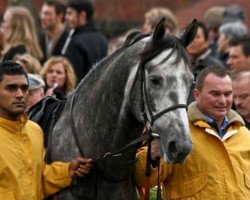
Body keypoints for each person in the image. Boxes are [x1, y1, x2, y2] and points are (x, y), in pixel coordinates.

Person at [134, 65, 250, 199]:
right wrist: (151, 155)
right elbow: (143, 180)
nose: (223, 101)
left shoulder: (244, 135)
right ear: (197, 95)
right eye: (215, 94)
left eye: (228, 94)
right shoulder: (176, 132)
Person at [0, 60, 93, 199]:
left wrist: (68, 170)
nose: (20, 94)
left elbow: (39, 179)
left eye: (24, 88)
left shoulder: (34, 130)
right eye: (11, 88)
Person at [64, 0, 108, 83]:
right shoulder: (102, 39)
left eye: (70, 13)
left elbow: (74, 78)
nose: (66, 17)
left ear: (82, 15)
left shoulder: (76, 42)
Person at [186, 21, 223, 104]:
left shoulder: (214, 66)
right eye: (190, 37)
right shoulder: (182, 64)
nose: (193, 41)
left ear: (207, 42)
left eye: (197, 37)